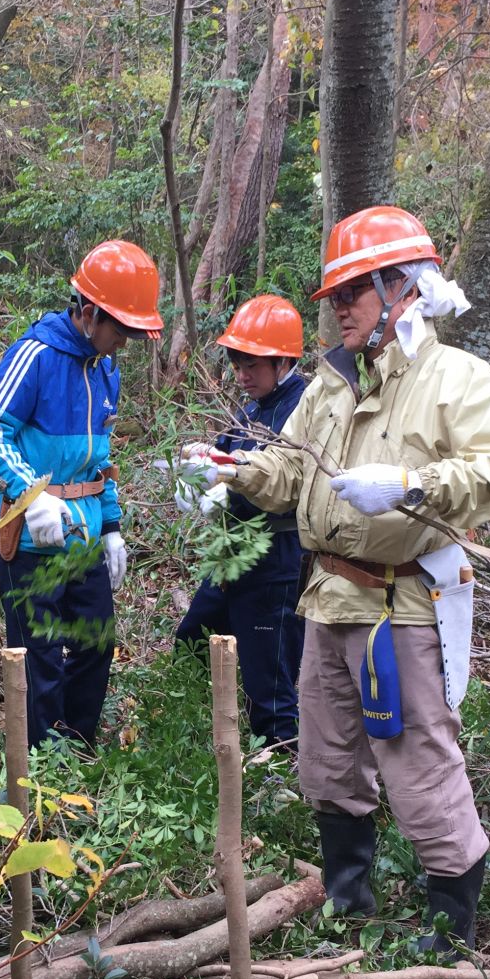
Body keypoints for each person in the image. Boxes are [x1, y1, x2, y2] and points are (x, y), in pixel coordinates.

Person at [198, 207, 490, 953]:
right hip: (328, 598)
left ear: (402, 287)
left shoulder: (456, 379)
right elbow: (289, 469)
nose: (340, 307)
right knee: (325, 761)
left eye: (354, 290)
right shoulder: (331, 384)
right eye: (336, 294)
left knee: (418, 768)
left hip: (403, 605)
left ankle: (450, 935)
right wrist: (234, 472)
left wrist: (412, 485)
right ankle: (350, 902)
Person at [0, 240, 163, 748]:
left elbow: (101, 461)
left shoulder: (105, 370)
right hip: (31, 542)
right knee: (42, 658)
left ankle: (76, 750)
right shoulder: (35, 355)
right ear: (92, 312)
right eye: (121, 328)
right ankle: (40, 770)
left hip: (85, 538)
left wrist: (114, 527)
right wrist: (32, 495)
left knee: (97, 646)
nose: (124, 341)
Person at [174, 295, 308, 746]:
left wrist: (227, 469)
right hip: (231, 551)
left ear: (283, 360)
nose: (242, 374)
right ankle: (210, 732)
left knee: (269, 677)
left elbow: (283, 476)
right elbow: (228, 453)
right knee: (193, 639)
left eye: (251, 364)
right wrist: (202, 461)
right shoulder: (253, 405)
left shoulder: (302, 408)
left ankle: (278, 770)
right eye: (236, 362)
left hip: (275, 558)